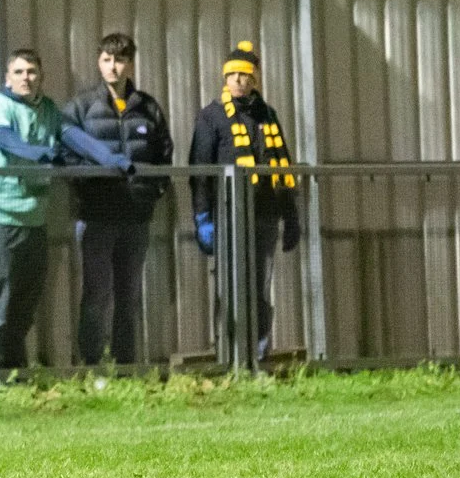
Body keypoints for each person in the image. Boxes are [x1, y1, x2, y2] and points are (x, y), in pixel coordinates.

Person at [60, 32, 172, 369]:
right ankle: (92, 365)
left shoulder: (148, 107)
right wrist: (88, 187)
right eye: (107, 60)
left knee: (129, 296)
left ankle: (125, 366)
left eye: (120, 60)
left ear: (130, 63)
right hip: (96, 216)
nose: (114, 67)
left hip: (136, 218)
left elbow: (164, 154)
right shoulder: (80, 107)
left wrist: (153, 191)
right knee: (96, 295)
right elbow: (66, 155)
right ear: (99, 62)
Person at [190, 40, 300, 366]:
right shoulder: (211, 116)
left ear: (255, 80)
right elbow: (199, 170)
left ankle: (258, 356)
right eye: (233, 75)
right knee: (228, 288)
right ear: (224, 78)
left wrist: (290, 214)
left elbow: (283, 165)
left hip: (264, 214)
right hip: (226, 217)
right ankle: (229, 356)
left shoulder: (268, 116)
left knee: (260, 289)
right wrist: (202, 216)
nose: (239, 81)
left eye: (245, 75)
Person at [0, 49, 71, 378]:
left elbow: (74, 138)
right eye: (18, 72)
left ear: (40, 77)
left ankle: (15, 371)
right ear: (7, 77)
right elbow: (4, 138)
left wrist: (111, 161)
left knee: (25, 302)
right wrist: (42, 154)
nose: (25, 77)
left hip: (35, 219)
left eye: (31, 71)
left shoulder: (49, 110)